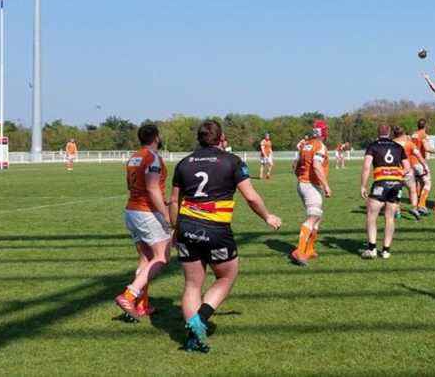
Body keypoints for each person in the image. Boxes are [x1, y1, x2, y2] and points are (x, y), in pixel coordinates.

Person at [169, 120, 281, 352]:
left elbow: (173, 201)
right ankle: (198, 321)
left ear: (199, 139)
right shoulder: (231, 161)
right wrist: (267, 216)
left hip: (187, 227)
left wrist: (175, 229)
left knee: (192, 284)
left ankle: (193, 337)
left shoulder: (183, 163)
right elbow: (250, 197)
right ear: (221, 138)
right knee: (225, 278)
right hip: (216, 230)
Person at [115, 125, 171, 321]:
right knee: (162, 257)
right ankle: (129, 295)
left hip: (131, 211)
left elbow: (130, 185)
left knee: (146, 259)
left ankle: (141, 305)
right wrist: (166, 214)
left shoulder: (134, 157)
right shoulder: (152, 157)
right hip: (147, 212)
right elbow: (153, 188)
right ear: (156, 137)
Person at [360, 124, 411, 259]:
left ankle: (372, 249)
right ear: (389, 133)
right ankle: (386, 251)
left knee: (372, 215)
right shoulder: (398, 147)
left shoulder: (373, 145)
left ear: (378, 133)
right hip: (396, 184)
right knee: (390, 217)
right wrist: (397, 175)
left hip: (381, 183)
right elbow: (407, 167)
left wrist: (363, 186)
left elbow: (366, 167)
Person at [290, 120, 332, 265]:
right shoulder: (319, 146)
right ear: (324, 132)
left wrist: (301, 178)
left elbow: (295, 165)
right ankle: (300, 251)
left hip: (303, 184)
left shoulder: (305, 144)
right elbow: (316, 165)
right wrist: (326, 185)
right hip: (311, 185)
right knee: (313, 217)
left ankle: (310, 249)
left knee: (317, 218)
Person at [392, 126, 428, 219]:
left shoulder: (391, 144)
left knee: (397, 192)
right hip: (407, 172)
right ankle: (414, 208)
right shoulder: (409, 144)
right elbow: (419, 155)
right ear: (403, 134)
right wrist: (425, 166)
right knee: (412, 190)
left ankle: (397, 211)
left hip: (395, 173)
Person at [411, 119, 435, 213]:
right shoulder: (423, 135)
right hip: (419, 162)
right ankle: (421, 205)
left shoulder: (413, 134)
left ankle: (418, 204)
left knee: (419, 182)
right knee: (427, 183)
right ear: (425, 126)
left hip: (411, 162)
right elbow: (427, 148)